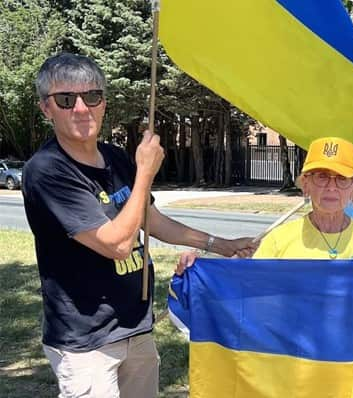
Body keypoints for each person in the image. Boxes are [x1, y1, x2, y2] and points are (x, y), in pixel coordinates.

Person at [22, 53, 256, 398]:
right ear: (46, 108)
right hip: (88, 341)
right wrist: (145, 172)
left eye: (92, 96)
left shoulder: (115, 157)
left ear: (103, 103)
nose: (82, 109)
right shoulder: (47, 170)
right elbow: (116, 245)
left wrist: (222, 244)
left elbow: (153, 221)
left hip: (135, 325)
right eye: (66, 100)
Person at [176, 136, 353, 270]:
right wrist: (198, 268)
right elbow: (247, 291)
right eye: (321, 177)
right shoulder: (279, 241)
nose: (331, 187)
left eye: (341, 178)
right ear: (306, 184)